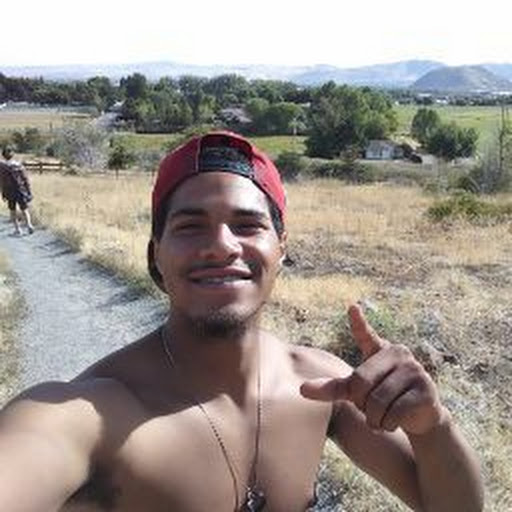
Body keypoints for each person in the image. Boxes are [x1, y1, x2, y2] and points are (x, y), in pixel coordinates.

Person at [0, 131, 483, 512]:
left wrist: (432, 427)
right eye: (190, 226)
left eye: (248, 225)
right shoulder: (83, 416)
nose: (222, 245)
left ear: (281, 249)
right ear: (155, 256)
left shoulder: (322, 386)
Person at [0, 145, 35, 235]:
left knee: (12, 210)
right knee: (24, 209)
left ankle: (17, 229)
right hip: (20, 189)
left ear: (3, 155)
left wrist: (3, 193)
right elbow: (25, 179)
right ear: (13, 155)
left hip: (9, 191)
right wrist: (29, 191)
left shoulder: (2, 167)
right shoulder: (19, 165)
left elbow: (2, 181)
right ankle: (29, 225)